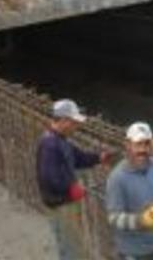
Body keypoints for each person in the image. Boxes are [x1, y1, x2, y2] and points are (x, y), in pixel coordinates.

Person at [36, 99, 111, 260]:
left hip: (64, 201)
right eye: (74, 122)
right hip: (60, 205)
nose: (76, 126)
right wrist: (70, 189)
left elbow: (78, 157)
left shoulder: (60, 140)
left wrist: (98, 158)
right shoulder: (50, 144)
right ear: (63, 121)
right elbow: (48, 178)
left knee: (68, 244)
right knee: (73, 248)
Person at [105, 122, 153, 260]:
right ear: (127, 145)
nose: (143, 149)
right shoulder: (117, 178)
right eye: (138, 144)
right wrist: (140, 220)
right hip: (133, 251)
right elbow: (113, 218)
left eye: (147, 144)